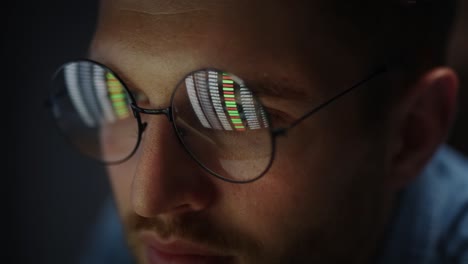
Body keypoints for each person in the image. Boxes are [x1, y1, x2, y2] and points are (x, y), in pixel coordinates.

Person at [48, 0, 467, 263]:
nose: (148, 199)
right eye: (120, 96)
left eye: (237, 113)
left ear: (411, 134)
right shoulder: (180, 240)